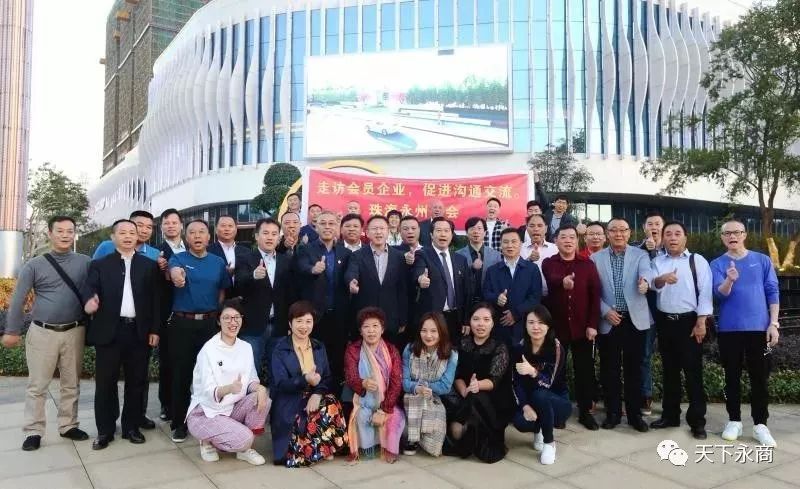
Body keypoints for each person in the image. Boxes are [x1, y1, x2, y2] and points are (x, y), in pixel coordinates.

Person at [2, 216, 91, 451]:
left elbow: (95, 289)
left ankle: (68, 425)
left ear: (74, 234)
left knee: (71, 383)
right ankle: (33, 430)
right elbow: (18, 299)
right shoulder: (34, 265)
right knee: (37, 385)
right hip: (42, 332)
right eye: (60, 231)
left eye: (69, 231)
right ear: (50, 234)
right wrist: (12, 330)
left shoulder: (85, 262)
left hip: (75, 331)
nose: (65, 235)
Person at [83, 219, 161, 450]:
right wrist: (90, 301)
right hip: (109, 332)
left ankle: (131, 427)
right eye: (123, 232)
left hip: (138, 332)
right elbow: (89, 288)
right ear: (113, 237)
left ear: (137, 237)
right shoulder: (100, 264)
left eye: (132, 233)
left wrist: (155, 330)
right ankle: (105, 430)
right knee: (105, 383)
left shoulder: (149, 265)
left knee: (136, 382)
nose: (128, 236)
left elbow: (156, 301)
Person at [711, 219, 780, 447]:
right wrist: (729, 280)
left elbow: (772, 291)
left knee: (759, 378)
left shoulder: (762, 260)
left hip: (759, 329)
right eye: (727, 233)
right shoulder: (717, 264)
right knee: (731, 376)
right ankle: (734, 420)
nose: (732, 236)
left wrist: (773, 323)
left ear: (744, 234)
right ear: (722, 238)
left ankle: (761, 425)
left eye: (737, 232)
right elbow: (719, 295)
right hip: (729, 329)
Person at [167, 219, 232, 443]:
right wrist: (177, 276)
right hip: (183, 324)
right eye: (192, 232)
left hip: (209, 324)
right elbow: (174, 272)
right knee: (182, 374)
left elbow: (222, 291)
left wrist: (216, 315)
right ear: (186, 237)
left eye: (201, 232)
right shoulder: (178, 259)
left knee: (210, 374)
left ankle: (209, 418)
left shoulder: (217, 262)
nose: (197, 236)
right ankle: (179, 423)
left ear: (208, 237)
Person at [186, 302, 270, 466]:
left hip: (231, 408)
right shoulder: (209, 349)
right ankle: (207, 440)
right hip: (206, 413)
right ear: (219, 321)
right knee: (245, 437)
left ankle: (243, 448)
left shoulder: (246, 347)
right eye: (227, 318)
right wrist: (229, 388)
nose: (233, 322)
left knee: (263, 398)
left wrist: (260, 388)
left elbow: (251, 379)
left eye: (237, 317)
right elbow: (207, 391)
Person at [648, 221, 711, 439]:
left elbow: (705, 292)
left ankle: (697, 421)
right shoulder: (657, 261)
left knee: (693, 373)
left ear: (685, 237)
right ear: (663, 238)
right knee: (669, 372)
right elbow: (652, 284)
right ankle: (670, 415)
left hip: (690, 323)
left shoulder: (697, 261)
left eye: (677, 233)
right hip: (665, 322)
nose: (673, 237)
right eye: (668, 234)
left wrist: (701, 321)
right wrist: (662, 279)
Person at [590, 217, 653, 432]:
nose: (618, 234)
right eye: (614, 230)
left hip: (635, 321)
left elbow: (647, 273)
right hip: (609, 320)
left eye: (623, 230)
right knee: (610, 370)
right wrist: (605, 311)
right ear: (607, 234)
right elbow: (592, 291)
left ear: (629, 233)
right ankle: (613, 414)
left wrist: (645, 283)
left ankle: (635, 416)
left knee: (634, 370)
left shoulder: (640, 255)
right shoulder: (595, 258)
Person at [270, 301, 348, 466]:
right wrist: (304, 379)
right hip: (290, 400)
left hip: (311, 395)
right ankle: (317, 449)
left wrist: (317, 394)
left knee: (331, 403)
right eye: (299, 321)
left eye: (308, 321)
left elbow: (327, 377)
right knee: (305, 420)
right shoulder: (280, 349)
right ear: (290, 323)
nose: (304, 326)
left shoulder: (318, 346)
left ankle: (323, 447)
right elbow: (281, 384)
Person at [541, 225, 601, 430]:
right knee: (557, 372)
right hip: (557, 329)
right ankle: (559, 411)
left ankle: (585, 412)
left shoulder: (587, 265)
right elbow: (551, 277)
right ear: (556, 241)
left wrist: (592, 325)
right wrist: (563, 282)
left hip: (582, 328)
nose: (568, 241)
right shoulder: (549, 263)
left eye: (572, 237)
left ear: (577, 241)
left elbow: (595, 296)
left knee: (584, 371)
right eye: (563, 237)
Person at [443, 303, 512, 463]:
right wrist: (465, 390)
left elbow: (494, 380)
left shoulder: (499, 347)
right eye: (476, 319)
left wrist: (477, 385)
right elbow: (458, 375)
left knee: (477, 397)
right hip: (466, 394)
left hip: (491, 398)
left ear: (493, 323)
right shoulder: (462, 343)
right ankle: (465, 433)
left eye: (486, 320)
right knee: (455, 424)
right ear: (470, 321)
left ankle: (473, 436)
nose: (481, 324)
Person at [294, 210, 353, 388]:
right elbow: (301, 266)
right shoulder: (305, 249)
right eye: (323, 223)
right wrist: (313, 269)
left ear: (337, 227)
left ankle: (333, 396)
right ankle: (315, 394)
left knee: (337, 358)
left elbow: (350, 274)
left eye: (331, 223)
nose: (327, 227)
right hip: (314, 316)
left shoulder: (345, 252)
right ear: (316, 226)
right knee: (314, 358)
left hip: (339, 315)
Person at [344, 307, 405, 463]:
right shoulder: (353, 350)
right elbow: (350, 376)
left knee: (395, 420)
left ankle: (389, 449)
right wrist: (362, 383)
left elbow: (396, 382)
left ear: (382, 329)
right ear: (360, 331)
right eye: (366, 327)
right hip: (363, 402)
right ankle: (369, 448)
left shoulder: (391, 350)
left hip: (386, 403)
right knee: (362, 416)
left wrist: (384, 410)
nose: (371, 331)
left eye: (375, 326)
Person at [512, 305, 571, 465]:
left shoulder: (556, 348)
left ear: (548, 325)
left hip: (557, 402)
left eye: (540, 322)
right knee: (520, 421)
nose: (536, 327)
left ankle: (549, 442)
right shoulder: (520, 348)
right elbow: (516, 382)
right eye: (531, 322)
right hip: (531, 402)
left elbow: (549, 383)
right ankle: (539, 429)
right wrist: (525, 406)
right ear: (525, 325)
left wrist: (533, 371)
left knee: (540, 395)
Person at [235, 218, 292, 379]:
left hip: (279, 326)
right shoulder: (245, 258)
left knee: (279, 372)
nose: (270, 237)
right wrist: (253, 276)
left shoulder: (286, 260)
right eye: (265, 233)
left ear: (279, 238)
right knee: (250, 372)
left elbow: (290, 293)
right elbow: (238, 284)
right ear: (256, 236)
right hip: (253, 327)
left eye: (274, 234)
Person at [345, 215, 409, 349]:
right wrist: (351, 282)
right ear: (367, 233)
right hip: (365, 320)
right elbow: (351, 272)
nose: (378, 232)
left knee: (391, 356)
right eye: (374, 229)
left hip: (391, 319)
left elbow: (402, 290)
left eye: (382, 228)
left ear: (388, 231)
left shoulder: (399, 257)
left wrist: (403, 319)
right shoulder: (357, 255)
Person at [401, 312, 458, 457]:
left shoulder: (451, 354)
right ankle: (413, 438)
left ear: (441, 332)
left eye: (433, 331)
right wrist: (417, 388)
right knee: (414, 398)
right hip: (412, 396)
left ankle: (423, 438)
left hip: (440, 397)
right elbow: (405, 381)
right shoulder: (409, 349)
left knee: (426, 401)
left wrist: (425, 387)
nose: (428, 335)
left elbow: (445, 386)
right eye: (424, 330)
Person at [414, 218, 472, 344]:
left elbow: (466, 291)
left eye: (446, 231)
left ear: (451, 235)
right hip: (433, 318)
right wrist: (420, 279)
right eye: (439, 230)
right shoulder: (423, 254)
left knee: (454, 351)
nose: (443, 234)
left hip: (456, 318)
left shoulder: (460, 259)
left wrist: (466, 320)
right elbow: (418, 271)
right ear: (431, 235)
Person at [483, 228, 543, 346]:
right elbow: (486, 293)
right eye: (505, 242)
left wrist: (516, 313)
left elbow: (535, 297)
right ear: (501, 245)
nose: (509, 245)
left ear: (520, 244)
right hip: (500, 326)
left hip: (525, 325)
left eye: (514, 241)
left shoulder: (532, 269)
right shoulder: (492, 270)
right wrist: (496, 298)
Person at [156, 208, 185, 421]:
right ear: (162, 227)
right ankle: (166, 404)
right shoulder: (157, 252)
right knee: (168, 361)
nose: (171, 226)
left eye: (174, 222)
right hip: (168, 314)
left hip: (191, 311)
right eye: (167, 223)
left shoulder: (193, 247)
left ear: (181, 225)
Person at [639, 210, 666, 416]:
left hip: (670, 311)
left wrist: (656, 252)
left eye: (657, 224)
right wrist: (649, 252)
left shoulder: (672, 250)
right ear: (644, 228)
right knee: (644, 355)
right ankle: (645, 396)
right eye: (650, 224)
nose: (654, 227)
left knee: (671, 356)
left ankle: (671, 399)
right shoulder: (635, 250)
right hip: (646, 312)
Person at [457, 217, 502, 306]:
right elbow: (456, 280)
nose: (476, 231)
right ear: (466, 233)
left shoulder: (495, 255)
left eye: (479, 228)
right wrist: (472, 268)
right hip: (465, 302)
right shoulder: (458, 255)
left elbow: (498, 281)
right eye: (472, 228)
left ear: (485, 232)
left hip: (489, 303)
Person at [92, 210, 160, 261]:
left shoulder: (155, 254)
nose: (144, 231)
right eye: (140, 225)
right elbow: (92, 270)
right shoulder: (106, 246)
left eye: (149, 227)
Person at [208, 216, 250, 299]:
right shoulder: (208, 251)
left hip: (243, 299)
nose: (227, 229)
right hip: (217, 299)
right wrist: (223, 274)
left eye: (230, 226)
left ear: (236, 229)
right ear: (216, 229)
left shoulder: (246, 251)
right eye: (223, 226)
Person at [521, 214, 559, 296]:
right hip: (526, 296)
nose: (536, 229)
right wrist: (529, 260)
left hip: (551, 296)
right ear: (527, 228)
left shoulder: (555, 249)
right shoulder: (519, 249)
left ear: (546, 228)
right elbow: (514, 272)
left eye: (540, 225)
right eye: (532, 226)